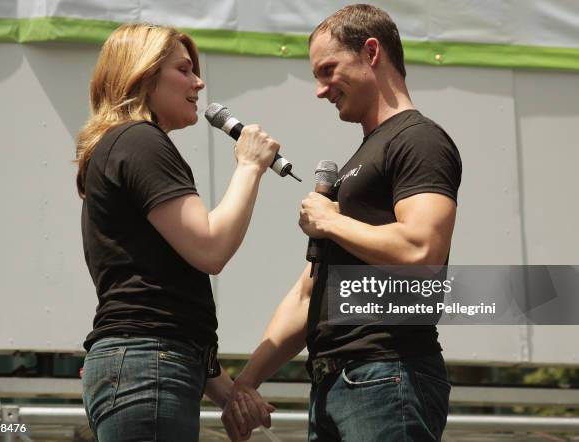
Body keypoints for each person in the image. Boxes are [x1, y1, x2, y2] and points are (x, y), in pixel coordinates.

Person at [222, 4, 462, 441]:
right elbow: (311, 288)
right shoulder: (360, 161)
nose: (320, 89)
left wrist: (330, 222)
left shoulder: (418, 139)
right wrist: (245, 383)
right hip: (337, 383)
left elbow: (422, 251)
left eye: (328, 69)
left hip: (387, 375)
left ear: (371, 52)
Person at [76, 23, 276, 442]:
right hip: (146, 364)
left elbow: (165, 295)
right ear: (144, 76)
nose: (198, 82)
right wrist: (250, 165)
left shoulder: (125, 144)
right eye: (184, 70)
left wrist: (229, 393)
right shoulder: (138, 141)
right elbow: (209, 248)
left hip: (147, 362)